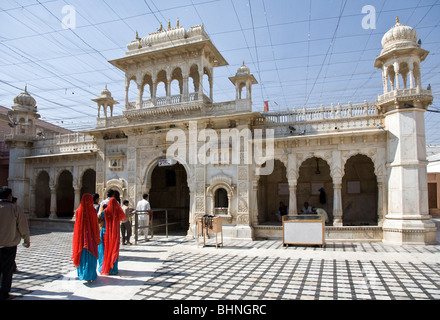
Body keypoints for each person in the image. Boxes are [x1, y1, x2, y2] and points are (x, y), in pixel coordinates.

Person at [0, 187, 30, 300]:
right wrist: (26, 240)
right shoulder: (15, 209)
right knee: (7, 270)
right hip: (9, 245)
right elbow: (23, 226)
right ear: (9, 196)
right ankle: (4, 294)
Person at [71, 193, 101, 282]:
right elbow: (95, 225)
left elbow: (77, 226)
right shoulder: (92, 211)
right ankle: (90, 275)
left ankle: (83, 274)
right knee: (90, 255)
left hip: (81, 237)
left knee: (82, 255)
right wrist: (96, 236)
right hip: (90, 237)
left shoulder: (78, 211)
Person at [98, 197, 126, 275]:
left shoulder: (105, 211)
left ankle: (104, 267)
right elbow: (122, 218)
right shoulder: (118, 212)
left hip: (105, 233)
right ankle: (113, 269)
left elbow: (99, 218)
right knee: (114, 249)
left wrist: (102, 209)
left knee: (104, 250)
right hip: (115, 234)